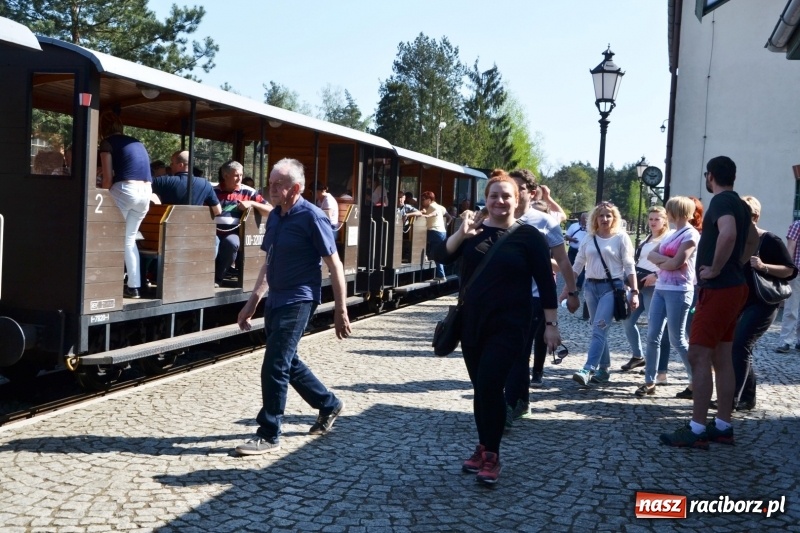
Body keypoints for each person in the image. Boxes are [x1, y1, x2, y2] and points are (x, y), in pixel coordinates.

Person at [432, 170, 561, 485]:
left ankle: (492, 456)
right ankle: (483, 446)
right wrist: (461, 234)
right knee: (481, 388)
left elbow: (546, 284)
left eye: (506, 196)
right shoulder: (472, 230)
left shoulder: (529, 236)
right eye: (494, 196)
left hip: (511, 324)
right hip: (472, 322)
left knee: (490, 384)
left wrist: (551, 325)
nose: (500, 201)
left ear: (517, 201)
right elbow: (440, 256)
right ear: (486, 199)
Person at [235, 158, 351, 455]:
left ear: (296, 188)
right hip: (276, 298)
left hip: (300, 299)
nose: (271, 188)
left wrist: (340, 309)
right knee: (288, 361)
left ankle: (269, 433)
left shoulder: (313, 217)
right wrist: (252, 301)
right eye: (270, 183)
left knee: (274, 364)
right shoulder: (275, 216)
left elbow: (335, 265)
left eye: (279, 184)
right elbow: (269, 262)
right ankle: (328, 403)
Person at [660, 156, 754, 449]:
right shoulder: (741, 204)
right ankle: (723, 426)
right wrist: (736, 264)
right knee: (722, 358)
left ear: (710, 176)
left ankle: (697, 429)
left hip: (719, 289)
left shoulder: (722, 201)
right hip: (733, 287)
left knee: (698, 355)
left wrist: (715, 268)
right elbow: (752, 240)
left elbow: (730, 233)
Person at [504, 169, 579, 425]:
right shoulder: (497, 217)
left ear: (532, 193)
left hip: (533, 298)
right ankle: (519, 400)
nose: (514, 193)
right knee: (503, 351)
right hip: (500, 296)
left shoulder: (545, 222)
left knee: (518, 351)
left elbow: (563, 261)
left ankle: (511, 405)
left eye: (520, 188)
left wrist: (572, 291)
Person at [732, 196, 797, 410]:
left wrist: (763, 266)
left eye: (747, 214)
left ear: (756, 216)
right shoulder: (735, 240)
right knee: (738, 347)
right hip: (739, 301)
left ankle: (734, 398)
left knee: (741, 344)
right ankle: (747, 397)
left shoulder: (769, 240)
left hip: (763, 303)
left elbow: (790, 270)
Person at [564, 201, 639, 386]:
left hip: (611, 289)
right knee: (597, 328)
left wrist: (635, 291)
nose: (605, 219)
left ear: (614, 218)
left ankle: (588, 368)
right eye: (601, 215)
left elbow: (629, 266)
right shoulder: (589, 238)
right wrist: (568, 289)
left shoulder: (621, 237)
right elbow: (578, 264)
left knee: (599, 327)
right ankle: (604, 369)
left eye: (608, 215)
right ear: (595, 218)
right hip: (590, 287)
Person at [633, 197, 699, 398]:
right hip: (661, 288)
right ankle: (649, 381)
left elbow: (677, 263)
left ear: (675, 212)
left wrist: (665, 262)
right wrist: (667, 262)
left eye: (669, 210)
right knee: (652, 336)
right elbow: (653, 256)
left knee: (677, 339)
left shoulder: (690, 234)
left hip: (679, 290)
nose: (667, 214)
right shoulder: (671, 234)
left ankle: (697, 380)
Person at [98, 110, 153, 300]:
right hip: (146, 192)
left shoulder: (107, 143)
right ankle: (134, 287)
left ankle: (103, 281)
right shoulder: (136, 142)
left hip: (125, 189)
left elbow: (107, 180)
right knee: (128, 240)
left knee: (106, 235)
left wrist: (97, 198)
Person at [620, 207, 672, 377]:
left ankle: (654, 364)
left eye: (657, 219)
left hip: (655, 286)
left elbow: (674, 262)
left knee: (655, 327)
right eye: (650, 219)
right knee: (627, 320)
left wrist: (657, 275)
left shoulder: (668, 238)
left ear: (665, 220)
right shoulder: (647, 238)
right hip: (639, 284)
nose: (653, 222)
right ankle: (638, 356)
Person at [214, 160, 273, 285]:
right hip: (212, 232)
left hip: (234, 233)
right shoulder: (213, 191)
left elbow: (270, 210)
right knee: (211, 243)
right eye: (236, 175)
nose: (240, 178)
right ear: (225, 175)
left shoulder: (248, 192)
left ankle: (218, 278)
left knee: (231, 243)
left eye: (241, 175)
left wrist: (252, 203)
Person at [151, 150, 222, 215]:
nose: (170, 165)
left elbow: (145, 190)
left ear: (180, 165)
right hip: (194, 223)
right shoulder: (205, 184)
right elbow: (217, 211)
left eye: (172, 163)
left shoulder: (163, 181)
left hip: (169, 223)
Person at [775, 218, 800, 353]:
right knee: (791, 307)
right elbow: (790, 249)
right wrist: (789, 270)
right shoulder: (797, 225)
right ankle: (785, 341)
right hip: (797, 273)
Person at [420, 191, 454, 281]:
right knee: (437, 252)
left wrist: (428, 215)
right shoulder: (441, 207)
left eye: (423, 199)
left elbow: (435, 212)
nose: (422, 201)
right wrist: (446, 225)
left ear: (429, 199)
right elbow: (450, 217)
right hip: (442, 232)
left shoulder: (431, 206)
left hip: (434, 231)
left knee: (420, 238)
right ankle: (427, 256)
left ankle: (441, 275)